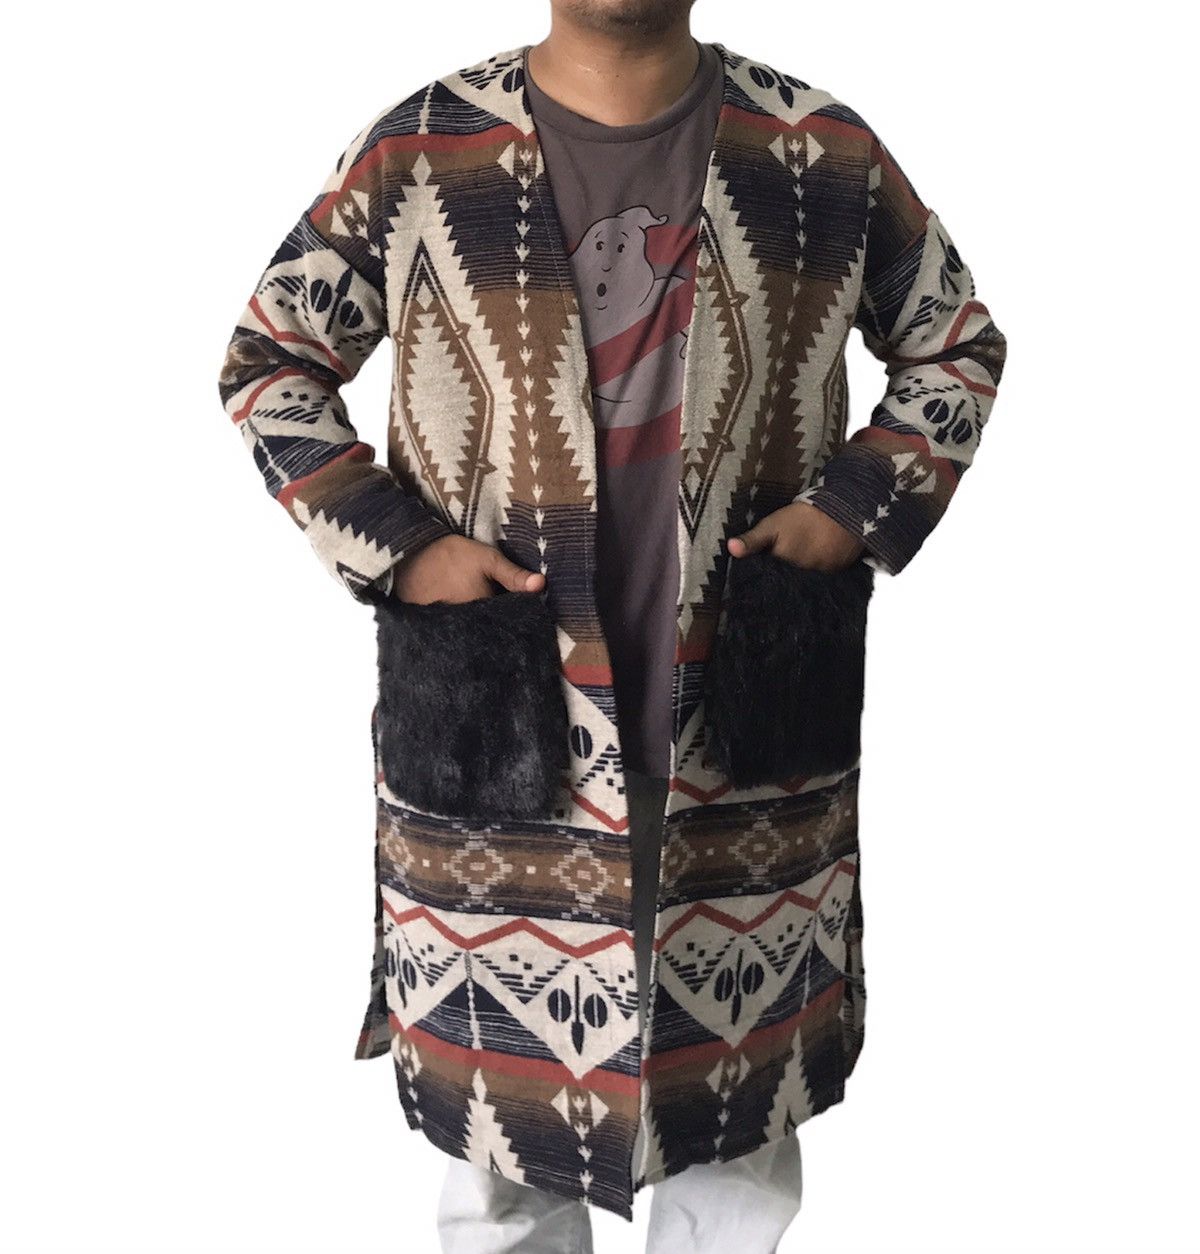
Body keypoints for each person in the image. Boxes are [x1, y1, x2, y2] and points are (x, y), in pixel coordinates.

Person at [216, 2, 1006, 1250]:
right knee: (500, 1134)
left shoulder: (820, 151)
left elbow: (953, 345)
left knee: (733, 1121)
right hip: (497, 712)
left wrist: (851, 510)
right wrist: (401, 550)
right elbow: (272, 360)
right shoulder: (422, 148)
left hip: (746, 709)